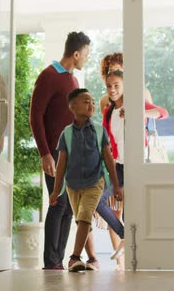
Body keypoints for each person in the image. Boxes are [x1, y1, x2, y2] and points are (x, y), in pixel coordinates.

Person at [100, 52, 169, 270]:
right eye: (109, 84)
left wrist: (138, 111)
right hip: (118, 166)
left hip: (137, 164)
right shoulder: (107, 109)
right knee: (97, 201)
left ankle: (136, 262)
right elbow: (107, 142)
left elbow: (162, 113)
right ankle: (124, 236)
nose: (112, 89)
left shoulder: (137, 99)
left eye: (117, 84)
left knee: (135, 210)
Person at [29, 32, 90, 270]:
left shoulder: (73, 81)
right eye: (85, 54)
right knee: (59, 204)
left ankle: (58, 261)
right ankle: (51, 262)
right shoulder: (49, 76)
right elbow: (35, 116)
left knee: (68, 208)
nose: (86, 59)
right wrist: (45, 153)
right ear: (75, 54)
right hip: (54, 153)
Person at [49, 88, 122, 272]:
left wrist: (115, 187)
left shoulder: (99, 130)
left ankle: (74, 258)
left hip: (95, 182)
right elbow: (61, 165)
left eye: (92, 101)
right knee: (83, 222)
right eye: (85, 101)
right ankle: (93, 259)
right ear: (72, 107)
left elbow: (108, 159)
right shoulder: (66, 134)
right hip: (73, 185)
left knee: (85, 216)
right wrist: (56, 190)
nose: (91, 104)